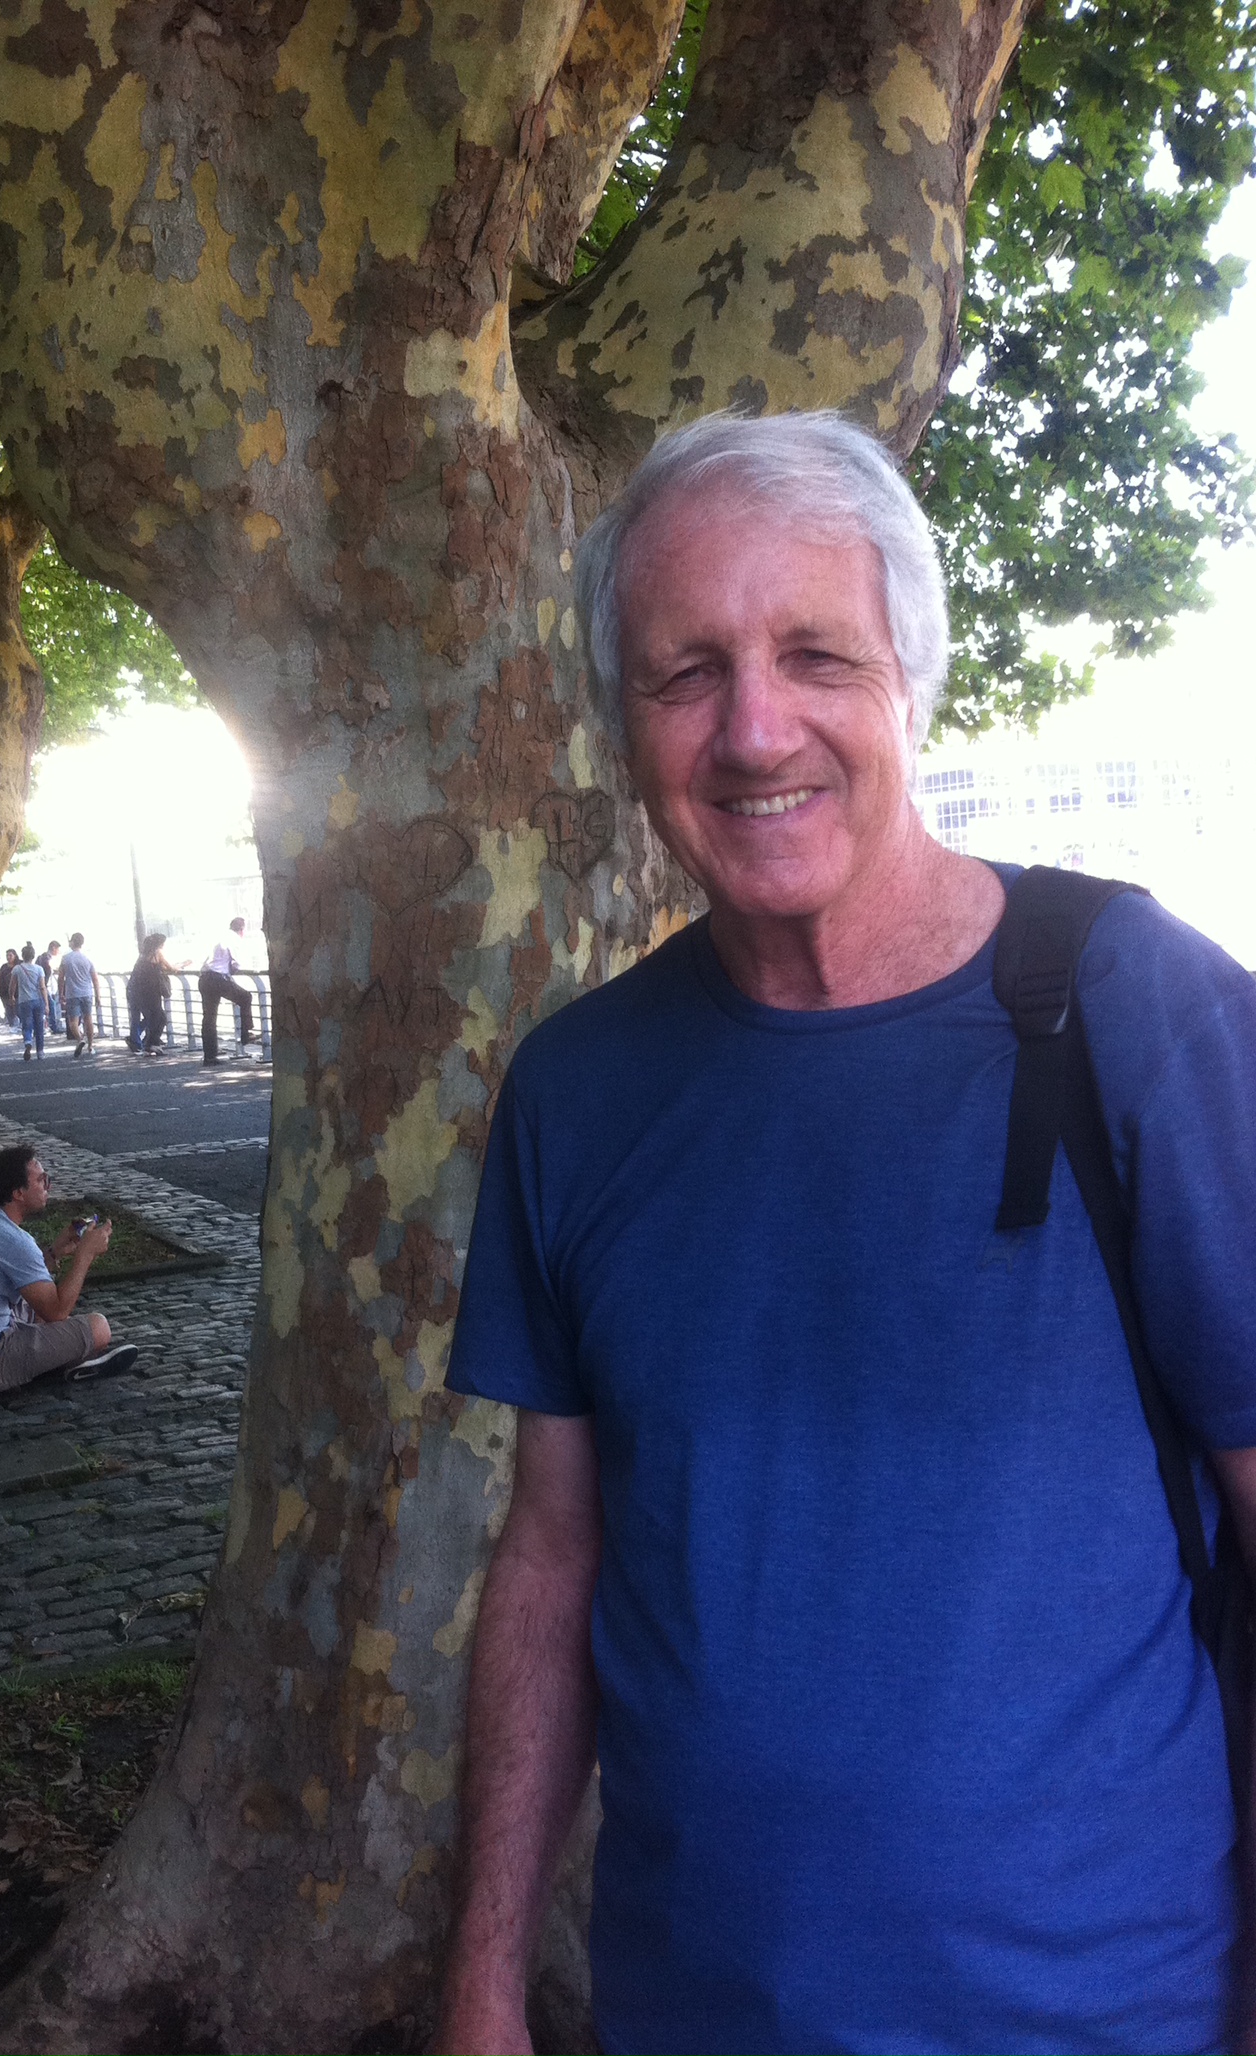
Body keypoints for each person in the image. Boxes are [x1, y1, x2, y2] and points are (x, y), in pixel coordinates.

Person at [435, 412, 1256, 2056]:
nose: (755, 729)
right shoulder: (576, 1090)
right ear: (621, 724)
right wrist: (484, 1985)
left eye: (815, 654)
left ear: (909, 682)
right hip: (690, 2011)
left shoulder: (1137, 1010)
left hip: (1108, 2016)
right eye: (685, 674)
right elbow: (551, 1556)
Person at [0, 1144, 138, 1394]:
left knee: (39, 1311)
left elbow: (30, 1287)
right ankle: (67, 1360)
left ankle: (60, 1355)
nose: (48, 1185)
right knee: (99, 1327)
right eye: (42, 1179)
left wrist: (55, 1252)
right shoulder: (14, 1240)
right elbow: (57, 1311)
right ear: (18, 1193)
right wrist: (85, 1255)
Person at [198, 916, 259, 1064]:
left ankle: (209, 1056)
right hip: (218, 979)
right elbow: (236, 964)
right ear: (242, 930)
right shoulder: (234, 939)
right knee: (245, 997)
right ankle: (246, 1032)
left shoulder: (219, 938)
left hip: (205, 978)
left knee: (209, 1018)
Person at [58, 931, 102, 1058]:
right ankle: (91, 1046)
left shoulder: (66, 958)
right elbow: (95, 979)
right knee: (88, 1019)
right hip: (87, 992)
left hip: (72, 993)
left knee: (73, 1021)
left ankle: (80, 1038)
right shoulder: (87, 959)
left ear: (72, 942)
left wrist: (61, 993)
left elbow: (61, 977)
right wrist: (98, 995)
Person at [128, 932, 171, 1058]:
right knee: (160, 1018)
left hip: (139, 991)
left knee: (152, 1018)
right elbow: (170, 968)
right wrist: (183, 964)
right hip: (151, 991)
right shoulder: (157, 953)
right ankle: (152, 1044)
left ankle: (147, 1044)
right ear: (160, 944)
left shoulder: (143, 956)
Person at [12, 942, 47, 1061]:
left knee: (27, 1024)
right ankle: (40, 1052)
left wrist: (12, 996)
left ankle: (28, 1041)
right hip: (38, 1000)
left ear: (22, 955)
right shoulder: (39, 969)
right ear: (33, 956)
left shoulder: (17, 968)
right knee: (39, 1026)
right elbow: (42, 987)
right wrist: (46, 1003)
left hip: (24, 1001)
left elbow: (12, 985)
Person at [40, 939, 65, 1035]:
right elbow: (48, 969)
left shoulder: (42, 957)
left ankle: (50, 1025)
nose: (58, 952)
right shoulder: (46, 957)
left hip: (45, 985)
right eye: (57, 949)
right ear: (53, 948)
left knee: (50, 1005)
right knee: (52, 1005)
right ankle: (54, 1026)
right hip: (45, 985)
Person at [0, 947, 19, 1027]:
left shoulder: (19, 965)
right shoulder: (4, 967)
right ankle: (12, 1025)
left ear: (15, 956)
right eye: (7, 955)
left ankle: (18, 1025)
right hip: (5, 993)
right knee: (8, 1011)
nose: (8, 957)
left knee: (17, 1010)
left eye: (10, 955)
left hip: (17, 992)